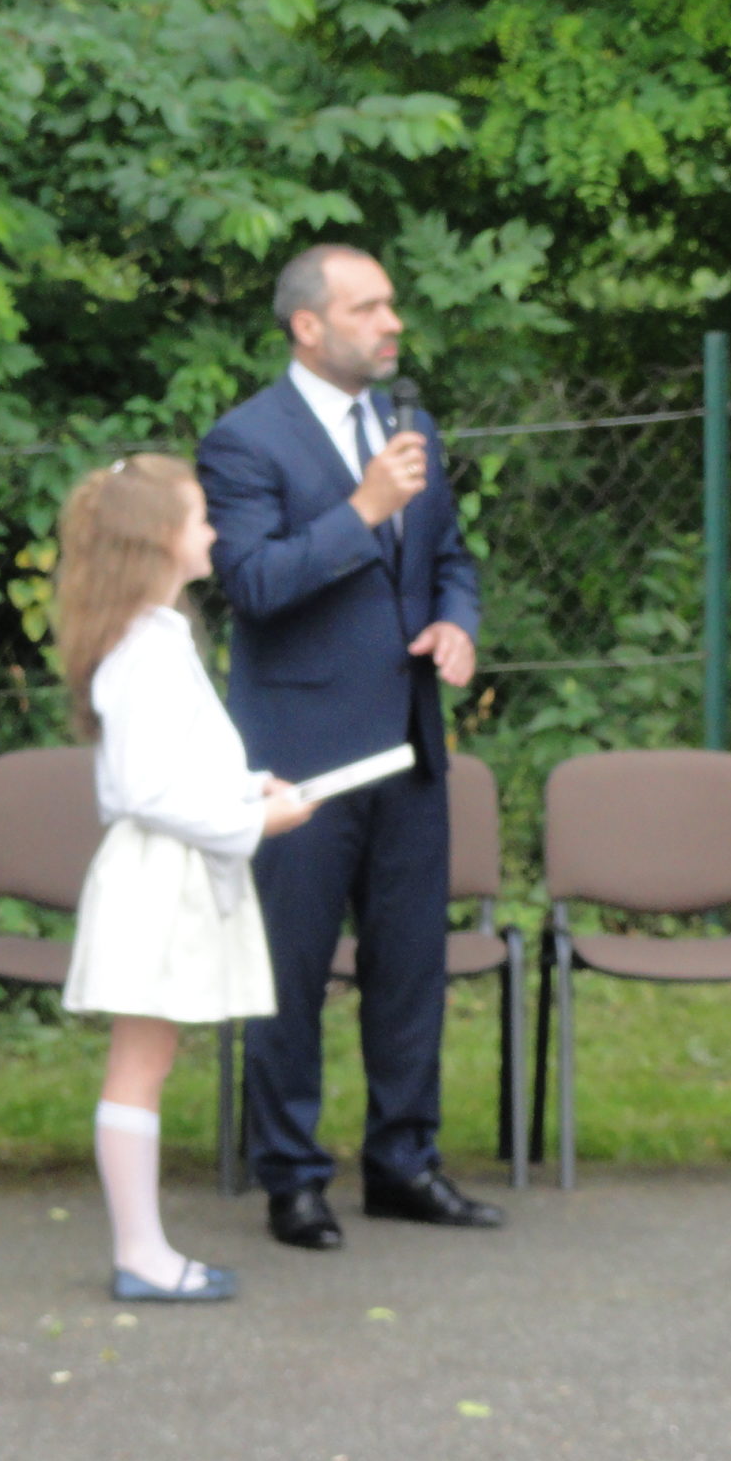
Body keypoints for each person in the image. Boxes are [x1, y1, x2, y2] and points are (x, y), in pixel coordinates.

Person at [197, 244, 497, 1251]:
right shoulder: (244, 441)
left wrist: (455, 622)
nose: (392, 323)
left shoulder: (411, 427)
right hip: (302, 757)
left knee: (409, 969)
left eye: (391, 305)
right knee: (289, 974)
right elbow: (253, 585)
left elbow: (448, 558)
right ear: (307, 326)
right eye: (368, 308)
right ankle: (291, 1178)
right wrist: (363, 508)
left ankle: (404, 1164)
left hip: (408, 745)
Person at [55, 455, 317, 1302]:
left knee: (150, 1058)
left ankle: (145, 1252)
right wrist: (256, 822)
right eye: (201, 517)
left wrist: (248, 788)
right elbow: (146, 790)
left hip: (168, 872)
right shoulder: (144, 653)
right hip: (155, 881)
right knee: (140, 1063)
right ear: (160, 538)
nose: (214, 531)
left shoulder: (155, 640)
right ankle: (141, 1256)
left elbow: (172, 771)